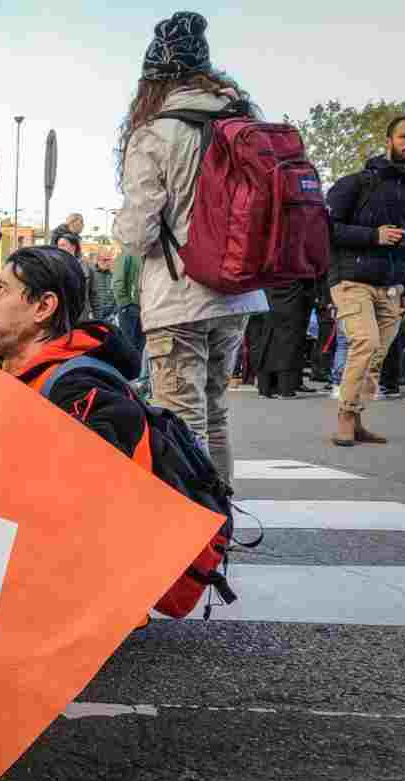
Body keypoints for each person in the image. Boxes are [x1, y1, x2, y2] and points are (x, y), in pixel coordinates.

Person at [113, 11, 268, 485]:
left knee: (181, 421)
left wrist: (121, 223)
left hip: (180, 296)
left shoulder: (155, 135)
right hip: (237, 292)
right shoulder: (245, 126)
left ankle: (194, 533)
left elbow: (138, 234)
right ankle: (222, 521)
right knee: (216, 413)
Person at [0, 246, 146, 459]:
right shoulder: (26, 372)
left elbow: (80, 484)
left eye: (0, 289)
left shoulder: (78, 389)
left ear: (43, 307)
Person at [326, 114, 405, 444]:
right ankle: (344, 416)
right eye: (404, 136)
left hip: (393, 287)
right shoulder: (356, 182)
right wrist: (374, 236)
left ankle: (356, 419)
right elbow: (327, 229)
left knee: (375, 357)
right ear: (390, 140)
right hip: (351, 279)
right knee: (365, 343)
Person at [256, 279, 318, 398]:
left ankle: (266, 388)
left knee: (267, 341)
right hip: (293, 295)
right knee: (289, 343)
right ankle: (285, 388)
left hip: (268, 293)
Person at [111, 246, 148, 391]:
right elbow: (118, 280)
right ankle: (125, 381)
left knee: (139, 345)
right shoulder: (127, 253)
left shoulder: (142, 253)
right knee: (129, 344)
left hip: (141, 307)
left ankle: (135, 382)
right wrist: (125, 303)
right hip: (130, 307)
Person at [90, 250, 118, 322]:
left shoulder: (114, 274)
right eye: (105, 260)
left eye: (109, 260)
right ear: (98, 260)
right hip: (96, 316)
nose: (107, 262)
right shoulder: (91, 273)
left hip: (112, 316)